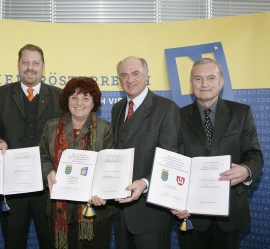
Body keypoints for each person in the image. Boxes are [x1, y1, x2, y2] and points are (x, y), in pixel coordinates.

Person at [171, 58, 264, 249]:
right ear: (191, 84)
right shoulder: (178, 116)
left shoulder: (241, 113)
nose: (204, 84)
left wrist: (246, 170)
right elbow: (173, 161)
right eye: (198, 79)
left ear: (221, 82)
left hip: (230, 210)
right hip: (191, 212)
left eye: (211, 78)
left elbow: (254, 155)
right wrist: (174, 198)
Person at [0, 44, 62, 249]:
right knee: (13, 243)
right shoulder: (1, 94)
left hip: (48, 187)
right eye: (25, 62)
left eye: (35, 63)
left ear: (43, 66)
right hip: (13, 187)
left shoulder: (60, 96)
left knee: (51, 243)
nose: (30, 67)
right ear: (18, 65)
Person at [39, 76, 118, 249]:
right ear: (66, 100)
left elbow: (109, 166)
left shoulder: (105, 128)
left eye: (85, 97)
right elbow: (43, 156)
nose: (79, 102)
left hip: (95, 212)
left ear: (94, 102)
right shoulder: (51, 127)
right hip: (60, 211)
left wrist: (101, 190)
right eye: (74, 97)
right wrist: (48, 172)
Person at [111, 56, 181, 248]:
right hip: (120, 211)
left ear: (147, 75)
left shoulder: (167, 108)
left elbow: (170, 158)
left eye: (135, 73)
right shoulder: (117, 109)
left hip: (151, 212)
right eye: (123, 75)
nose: (129, 79)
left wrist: (146, 182)